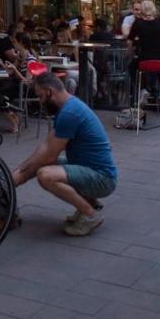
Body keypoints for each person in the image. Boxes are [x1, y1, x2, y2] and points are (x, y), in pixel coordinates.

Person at [11, 73, 116, 237]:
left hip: (102, 179)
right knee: (41, 166)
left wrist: (18, 177)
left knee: (45, 175)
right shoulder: (67, 107)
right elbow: (45, 146)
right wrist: (19, 173)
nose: (40, 102)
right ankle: (88, 203)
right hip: (90, 169)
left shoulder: (69, 114)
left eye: (40, 96)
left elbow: (49, 157)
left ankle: (90, 214)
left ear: (50, 91)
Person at [128, 0, 160, 103]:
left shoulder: (138, 23)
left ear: (142, 9)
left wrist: (132, 54)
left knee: (132, 66)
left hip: (145, 59)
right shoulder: (159, 22)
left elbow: (129, 41)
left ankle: (143, 88)